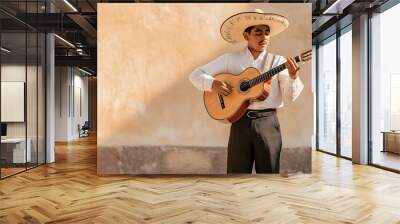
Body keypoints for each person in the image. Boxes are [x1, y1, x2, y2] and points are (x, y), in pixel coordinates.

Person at [189, 9, 304, 174]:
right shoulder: (230, 59)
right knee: (236, 175)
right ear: (246, 36)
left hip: (268, 124)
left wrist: (293, 77)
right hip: (240, 124)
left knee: (269, 175)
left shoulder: (277, 61)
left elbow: (291, 96)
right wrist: (212, 83)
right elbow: (195, 75)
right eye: (258, 32)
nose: (264, 37)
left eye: (266, 33)